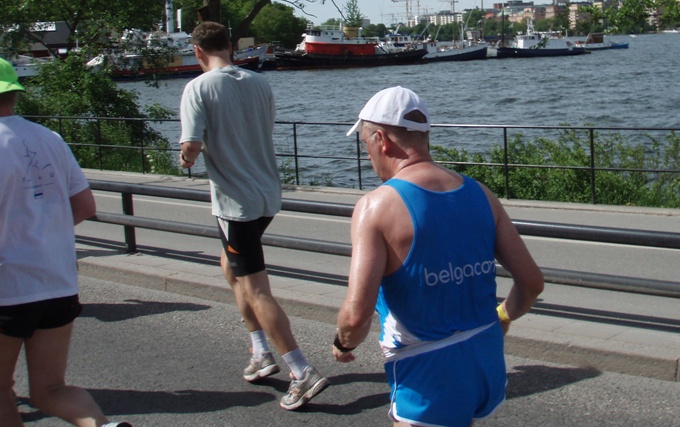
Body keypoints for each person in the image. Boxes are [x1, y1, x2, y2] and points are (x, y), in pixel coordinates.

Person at [333, 86, 544, 426]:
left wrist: (342, 344)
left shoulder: (376, 206)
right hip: (486, 358)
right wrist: (503, 315)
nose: (368, 156)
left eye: (365, 145)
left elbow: (356, 317)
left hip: (428, 371)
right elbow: (532, 283)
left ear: (382, 140)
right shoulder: (480, 193)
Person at [178, 22, 327, 411]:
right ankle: (260, 350)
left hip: (235, 204)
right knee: (230, 267)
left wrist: (185, 158)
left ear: (197, 51)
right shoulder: (259, 82)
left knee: (255, 287)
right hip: (266, 194)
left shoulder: (198, 88)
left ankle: (300, 369)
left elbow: (191, 145)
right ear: (230, 46)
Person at [0, 55, 131, 427]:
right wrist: (43, 230)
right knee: (50, 389)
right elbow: (84, 205)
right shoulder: (48, 137)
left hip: (4, 286)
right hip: (58, 282)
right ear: (12, 94)